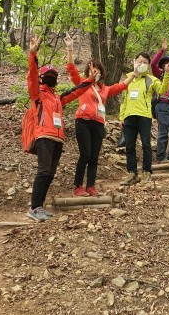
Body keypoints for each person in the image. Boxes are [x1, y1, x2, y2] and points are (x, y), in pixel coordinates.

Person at [25, 35, 91, 222]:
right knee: (44, 171)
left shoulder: (57, 98)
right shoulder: (37, 94)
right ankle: (34, 207)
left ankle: (39, 207)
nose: (50, 78)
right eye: (48, 76)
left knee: (50, 173)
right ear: (42, 78)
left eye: (53, 76)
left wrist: (91, 79)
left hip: (58, 138)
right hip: (44, 136)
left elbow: (77, 91)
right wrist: (33, 54)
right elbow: (31, 75)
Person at [64, 35, 136, 197]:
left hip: (98, 123)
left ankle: (90, 186)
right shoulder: (82, 83)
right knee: (85, 154)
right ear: (88, 70)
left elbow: (121, 86)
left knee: (94, 156)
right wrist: (70, 48)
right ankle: (78, 187)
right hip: (83, 121)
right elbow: (71, 69)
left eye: (97, 68)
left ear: (101, 71)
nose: (94, 71)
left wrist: (134, 74)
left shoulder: (105, 89)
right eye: (91, 68)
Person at [119, 52, 169, 185]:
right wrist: (121, 116)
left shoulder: (152, 79)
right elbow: (124, 99)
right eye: (139, 61)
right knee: (129, 146)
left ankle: (147, 171)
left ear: (148, 65)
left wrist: (168, 74)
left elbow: (163, 90)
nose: (142, 64)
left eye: (145, 62)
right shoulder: (128, 78)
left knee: (146, 145)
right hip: (129, 116)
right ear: (134, 62)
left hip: (144, 116)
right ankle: (132, 173)